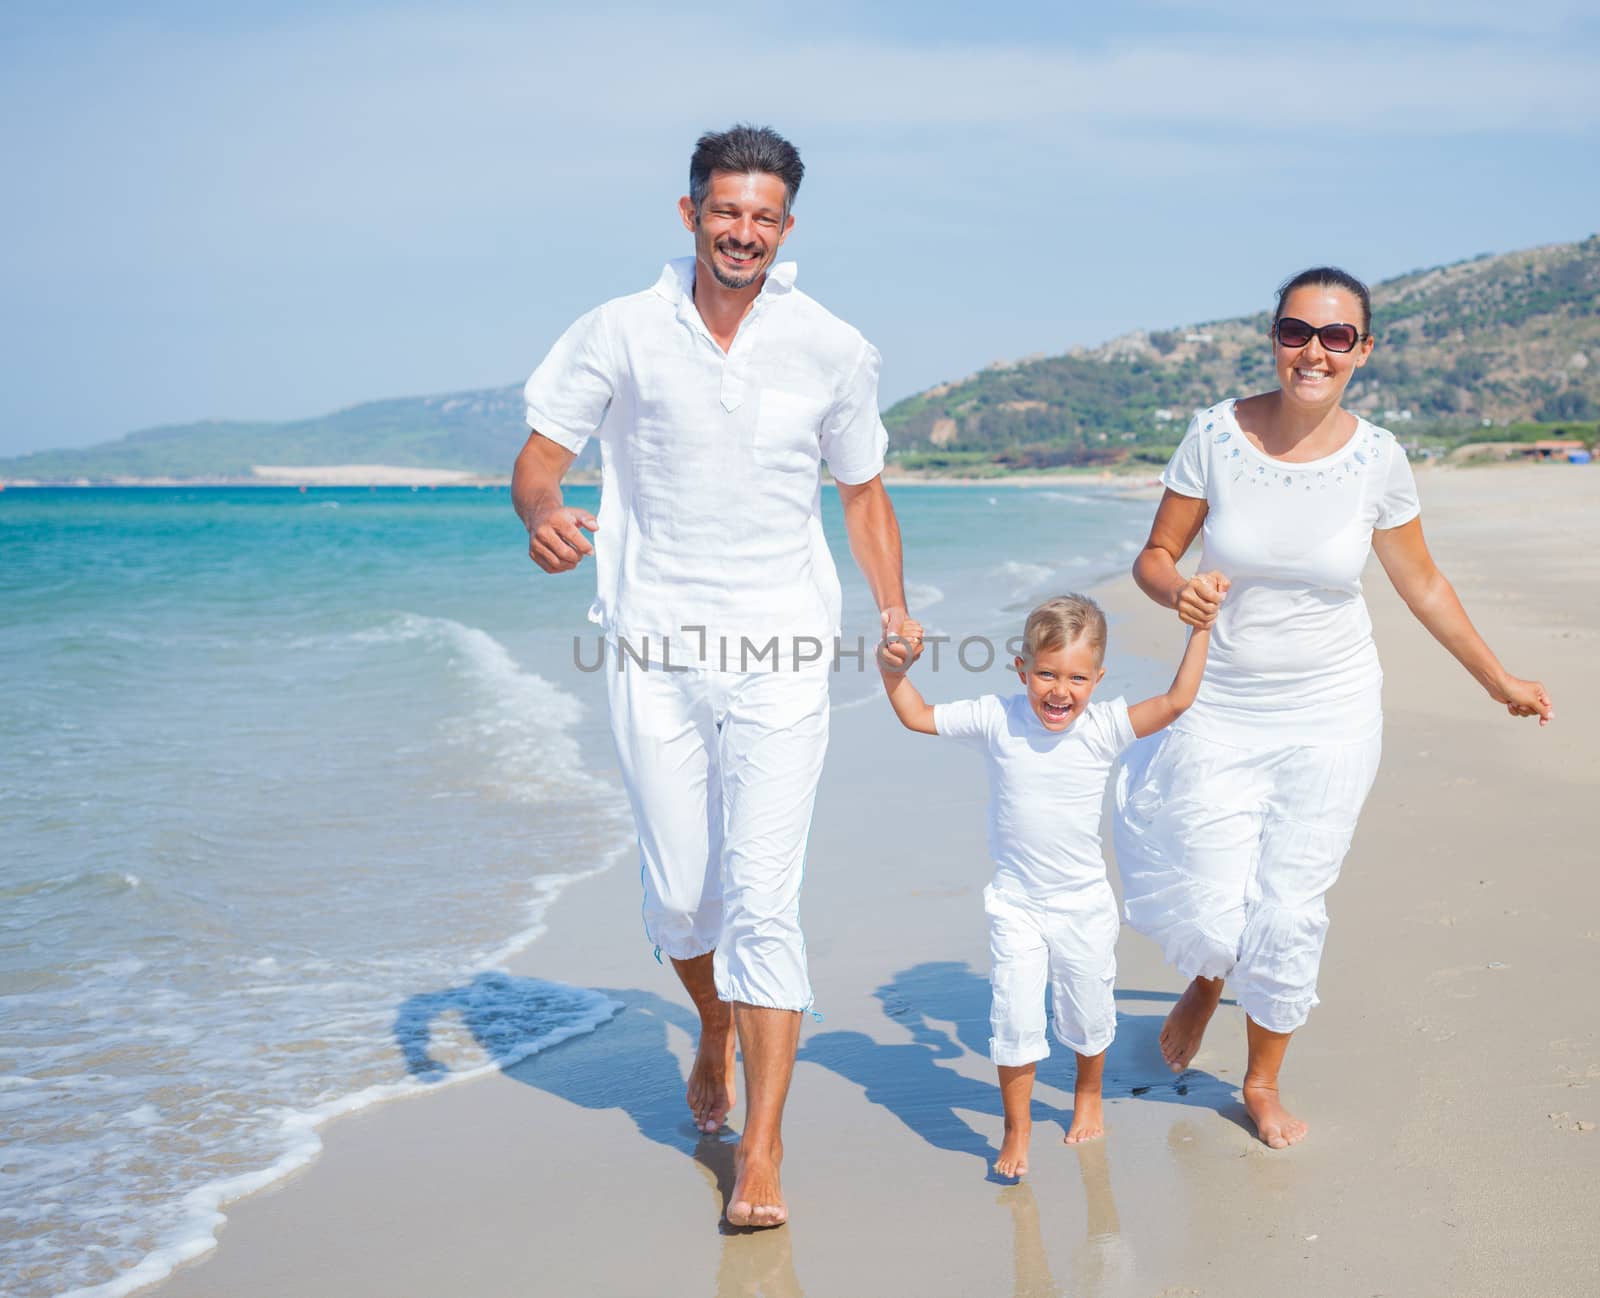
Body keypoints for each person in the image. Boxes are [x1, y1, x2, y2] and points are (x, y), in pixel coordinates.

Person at [512, 124, 916, 1226]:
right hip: (649, 646)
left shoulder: (832, 345)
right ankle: (715, 1019)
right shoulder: (618, 330)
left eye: (764, 216)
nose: (743, 231)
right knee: (685, 897)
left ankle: (764, 1150)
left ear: (788, 228)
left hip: (784, 647)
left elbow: (864, 491)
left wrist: (891, 605)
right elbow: (540, 460)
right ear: (689, 213)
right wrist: (546, 513)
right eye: (724, 211)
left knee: (763, 902)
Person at [1113, 266, 1553, 1149]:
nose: (1312, 351)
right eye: (1295, 331)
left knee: (1290, 905)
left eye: (1335, 336)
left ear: (1363, 350)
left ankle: (1263, 1079)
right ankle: (1208, 976)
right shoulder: (1216, 434)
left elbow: (1420, 580)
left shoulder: (1377, 457)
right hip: (1223, 704)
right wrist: (1178, 592)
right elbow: (1156, 555)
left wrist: (1495, 678)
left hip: (1332, 710)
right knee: (1208, 906)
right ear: (1273, 338)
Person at [879, 593, 1216, 1175]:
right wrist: (892, 671)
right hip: (1016, 904)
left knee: (1087, 1011)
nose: (1061, 690)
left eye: (1077, 677)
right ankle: (1018, 1127)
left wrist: (1200, 629)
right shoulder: (995, 717)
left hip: (1083, 906)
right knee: (1013, 1016)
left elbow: (1178, 700)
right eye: (1047, 674)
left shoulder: (1105, 726)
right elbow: (917, 715)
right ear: (1022, 670)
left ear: (1098, 678)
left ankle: (1087, 1092)